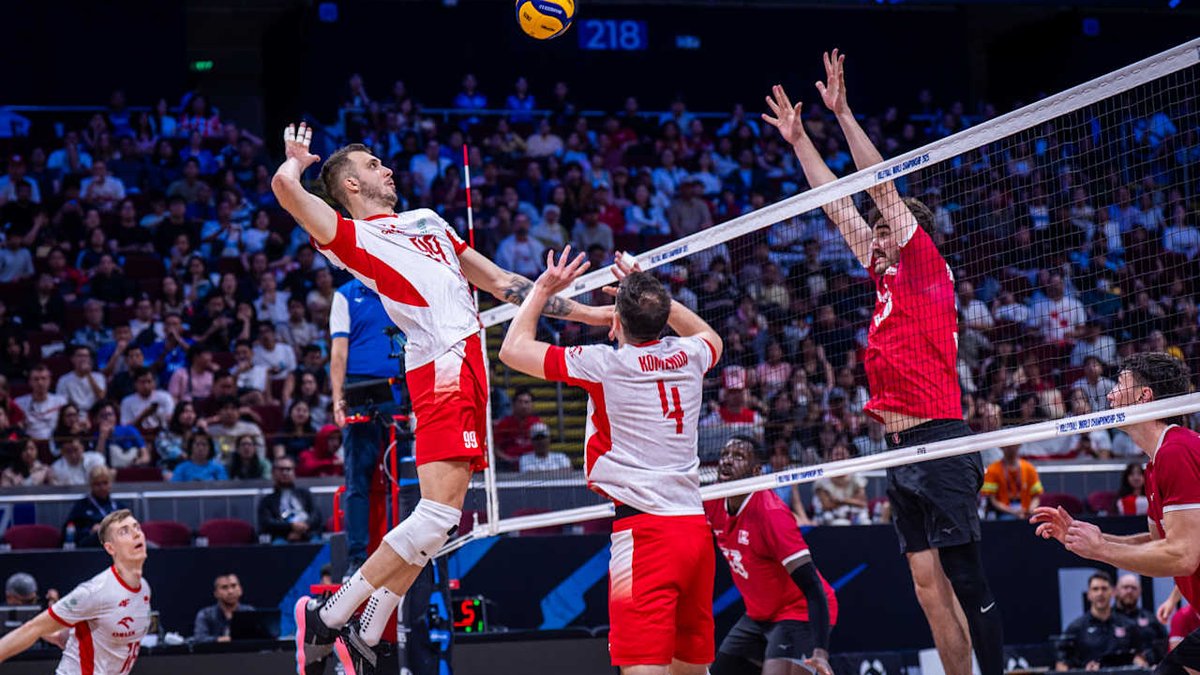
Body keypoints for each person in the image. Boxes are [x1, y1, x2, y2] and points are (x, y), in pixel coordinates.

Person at [272, 123, 609, 674]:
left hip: (470, 368)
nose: (387, 168)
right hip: (440, 367)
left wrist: (592, 314)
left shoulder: (428, 219)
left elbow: (502, 283)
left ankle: (369, 631)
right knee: (434, 518)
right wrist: (296, 160)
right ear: (351, 185)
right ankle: (328, 615)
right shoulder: (351, 238)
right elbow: (287, 191)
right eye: (373, 164)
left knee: (440, 523)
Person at [764, 52, 1002, 675]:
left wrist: (842, 114)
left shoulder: (924, 267)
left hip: (940, 440)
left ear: (908, 235)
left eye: (880, 230)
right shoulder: (885, 280)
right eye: (870, 233)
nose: (869, 237)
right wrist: (799, 141)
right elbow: (834, 204)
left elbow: (879, 187)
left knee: (965, 579)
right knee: (927, 588)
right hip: (899, 450)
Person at [499, 251, 723, 675]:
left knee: (642, 667)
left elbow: (512, 350)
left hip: (646, 535)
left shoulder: (606, 364)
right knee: (692, 670)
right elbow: (711, 336)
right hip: (694, 530)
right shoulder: (691, 353)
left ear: (615, 323)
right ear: (663, 318)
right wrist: (654, 296)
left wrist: (543, 288)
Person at [1032, 352, 1200, 675]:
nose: (1109, 395)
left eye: (1119, 384)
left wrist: (1101, 550)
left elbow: (1183, 556)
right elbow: (1160, 545)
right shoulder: (1155, 462)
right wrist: (1093, 538)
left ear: (1144, 396)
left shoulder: (1177, 451)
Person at [705, 437, 836, 675]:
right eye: (725, 454)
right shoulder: (712, 501)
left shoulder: (771, 515)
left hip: (798, 612)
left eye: (739, 456)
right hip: (758, 616)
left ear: (756, 471)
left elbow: (813, 587)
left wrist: (820, 652)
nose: (727, 461)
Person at [0, 510, 152, 673]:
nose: (136, 534)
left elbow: (68, 638)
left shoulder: (144, 589)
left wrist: (60, 637)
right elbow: (32, 628)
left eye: (137, 527)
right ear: (110, 548)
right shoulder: (95, 591)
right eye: (124, 532)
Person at [329, 278, 405, 571]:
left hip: (400, 390)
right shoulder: (345, 295)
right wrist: (338, 399)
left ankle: (407, 554)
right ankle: (357, 559)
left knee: (404, 480)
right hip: (360, 390)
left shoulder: (398, 287)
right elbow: (338, 352)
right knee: (357, 481)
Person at [1056, 571, 1147, 670]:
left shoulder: (1128, 625)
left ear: (1112, 592)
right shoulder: (1076, 628)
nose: (1100, 593)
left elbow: (1140, 657)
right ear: (1089, 594)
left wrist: (1140, 663)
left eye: (1104, 589)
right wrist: (1083, 671)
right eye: (1095, 589)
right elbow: (1061, 664)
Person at [257, 456, 323, 544]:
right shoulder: (267, 500)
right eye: (281, 469)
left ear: (294, 472)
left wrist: (304, 526)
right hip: (281, 537)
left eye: (288, 469)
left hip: (308, 534)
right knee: (278, 544)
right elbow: (267, 523)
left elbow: (316, 516)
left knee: (319, 543)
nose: (285, 473)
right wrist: (291, 527)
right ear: (273, 473)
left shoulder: (305, 494)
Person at [63, 465, 123, 548]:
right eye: (97, 484)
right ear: (91, 485)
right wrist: (90, 531)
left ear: (110, 484)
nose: (102, 487)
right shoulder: (81, 506)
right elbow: (68, 533)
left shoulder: (119, 507)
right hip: (90, 549)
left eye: (105, 483)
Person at [1114, 573, 1168, 661]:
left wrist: (1147, 657)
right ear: (1116, 591)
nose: (1129, 591)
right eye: (1125, 587)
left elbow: (1164, 644)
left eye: (1133, 588)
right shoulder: (1108, 619)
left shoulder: (1151, 618)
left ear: (1140, 591)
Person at [981, 445, 1044, 520]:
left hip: (1026, 512)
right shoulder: (992, 470)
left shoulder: (1029, 468)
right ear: (1001, 447)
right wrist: (1013, 512)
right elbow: (992, 500)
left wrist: (1031, 509)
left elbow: (1036, 497)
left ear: (1019, 445)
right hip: (1004, 513)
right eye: (1007, 445)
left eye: (1013, 445)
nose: (1010, 448)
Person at [194, 574, 255, 643]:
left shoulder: (249, 612)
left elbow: (258, 639)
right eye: (224, 587)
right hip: (216, 649)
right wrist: (219, 640)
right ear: (216, 593)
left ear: (240, 590)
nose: (230, 591)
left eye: (234, 586)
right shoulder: (205, 614)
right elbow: (199, 639)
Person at [15, 364, 68, 441]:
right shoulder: (19, 403)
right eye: (36, 379)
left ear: (50, 380)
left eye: (44, 378)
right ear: (30, 382)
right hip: (29, 443)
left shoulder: (61, 401)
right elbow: (16, 430)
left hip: (56, 442)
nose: (40, 382)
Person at [494, 388, 543, 471]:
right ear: (513, 404)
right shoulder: (504, 424)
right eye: (520, 402)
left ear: (532, 405)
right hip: (508, 465)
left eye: (526, 402)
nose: (523, 406)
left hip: (533, 464)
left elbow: (543, 447)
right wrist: (508, 459)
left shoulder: (537, 423)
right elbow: (495, 448)